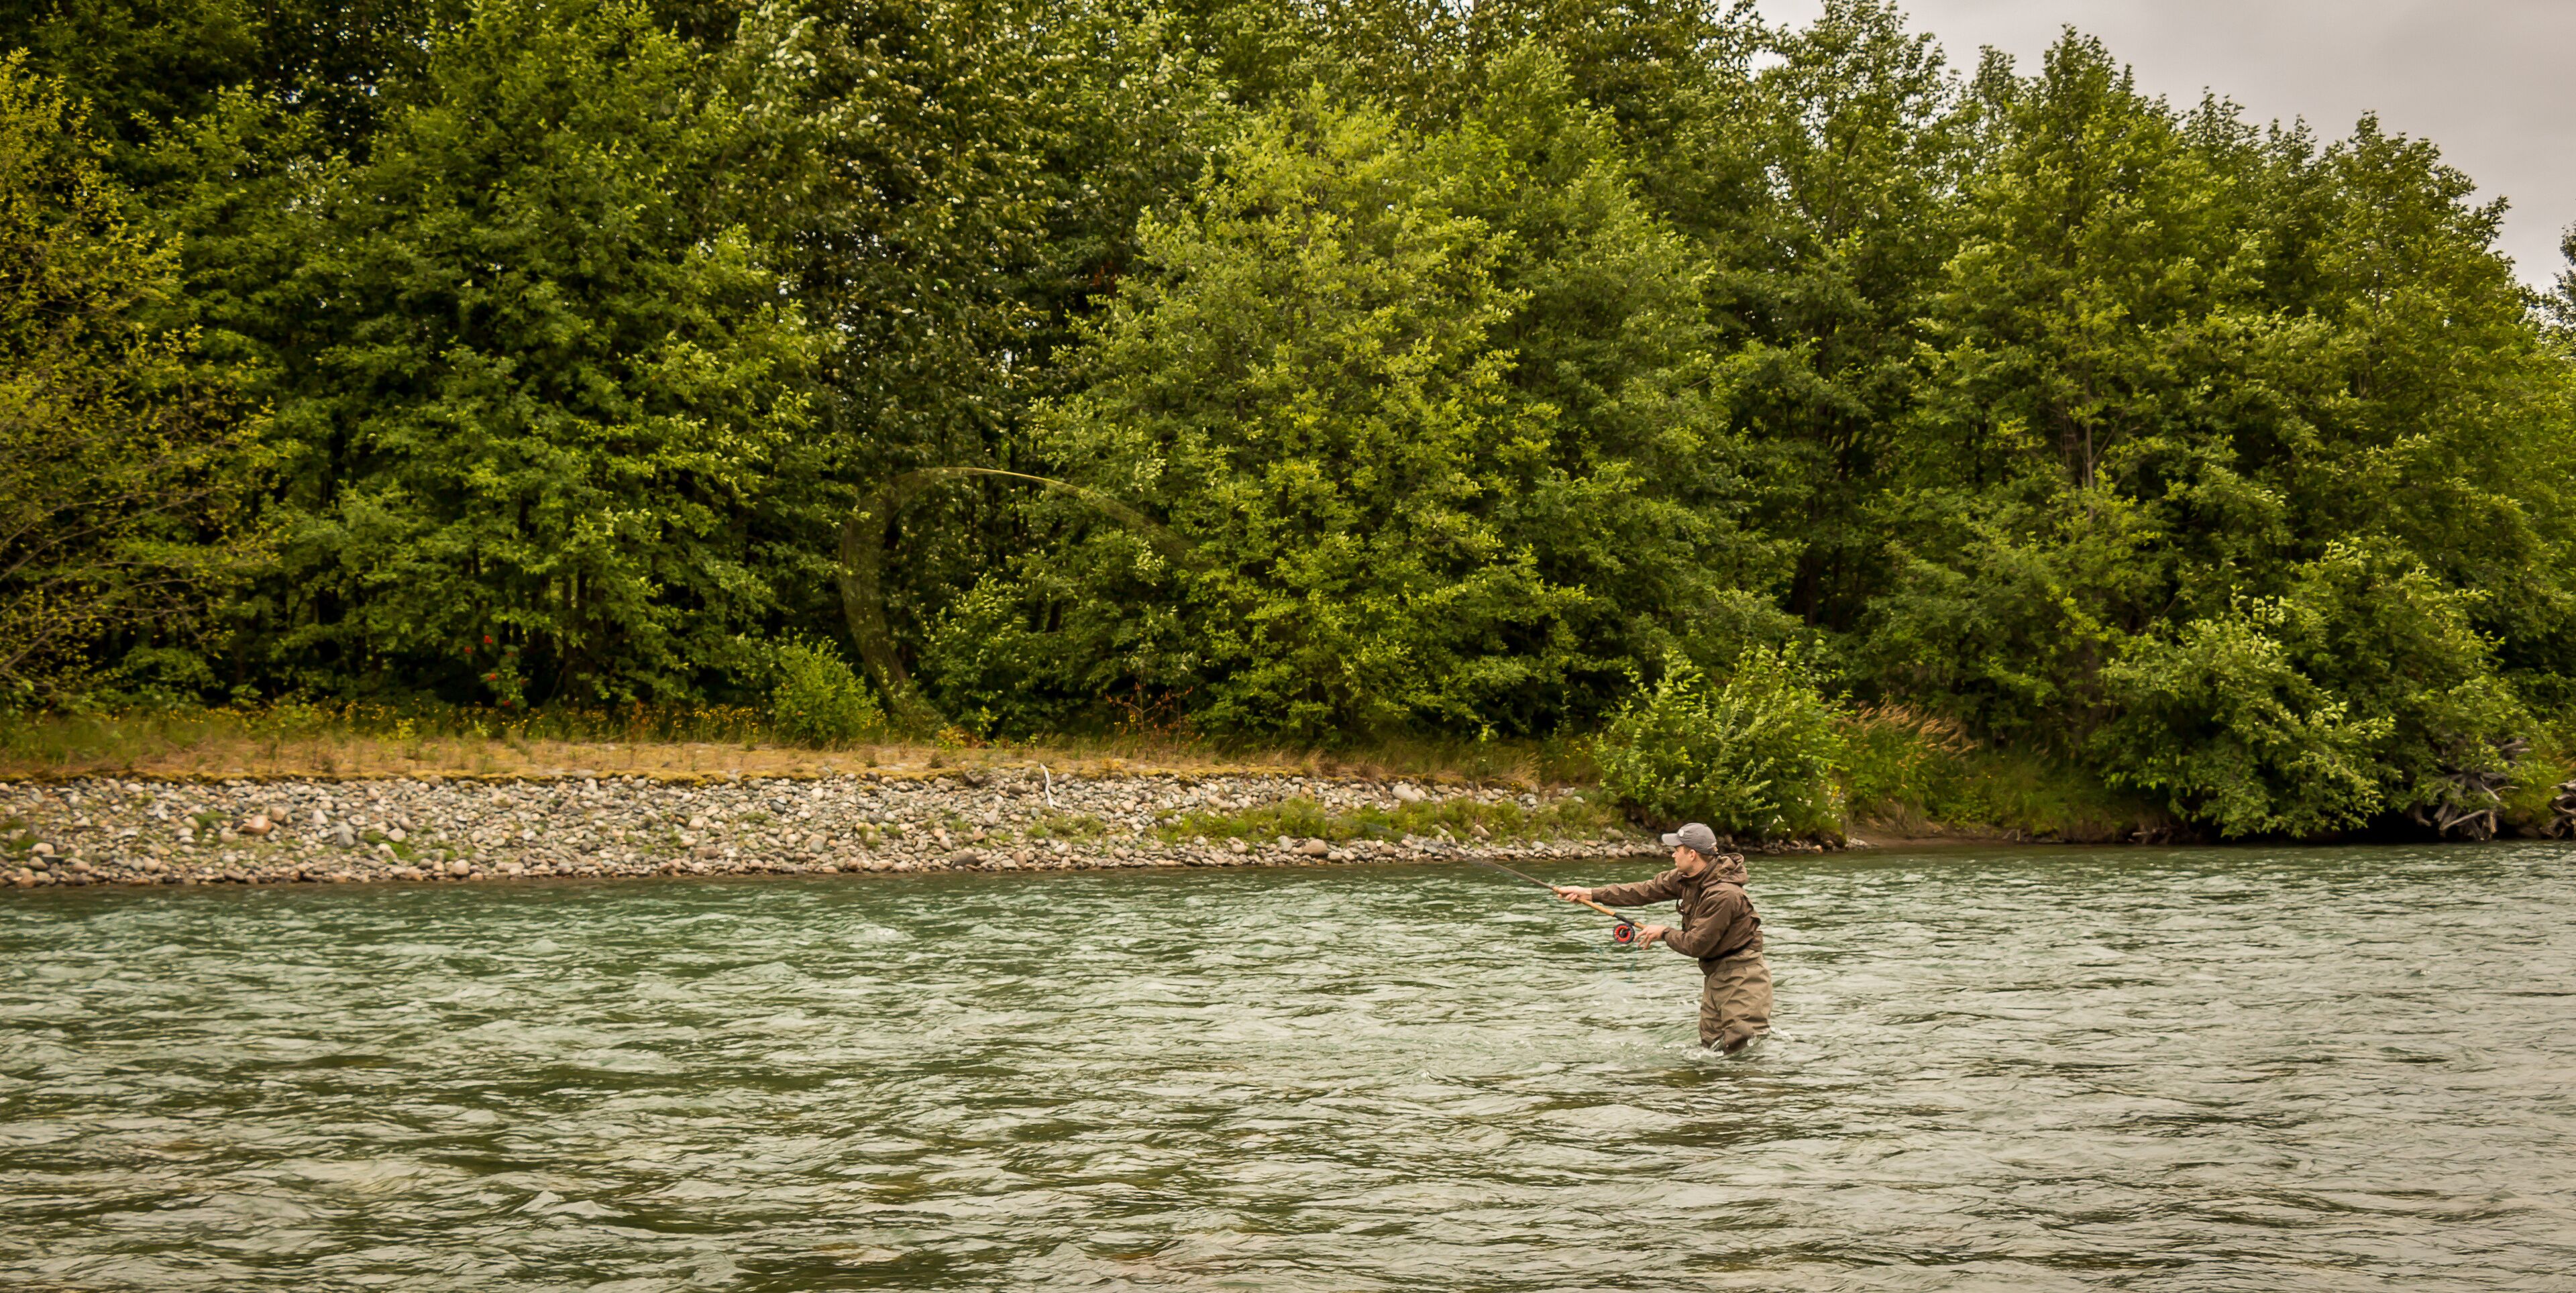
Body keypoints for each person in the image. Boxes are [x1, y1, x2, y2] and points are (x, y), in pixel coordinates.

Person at [1555, 822, 1770, 1052]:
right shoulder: (1687, 876)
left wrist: (1664, 932)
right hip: (1715, 972)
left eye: (1677, 849)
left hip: (1742, 976)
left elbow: (1696, 944)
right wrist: (1589, 894)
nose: (1673, 854)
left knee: (1743, 1049)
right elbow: (1644, 891)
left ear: (1692, 854)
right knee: (1712, 1049)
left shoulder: (1723, 895)